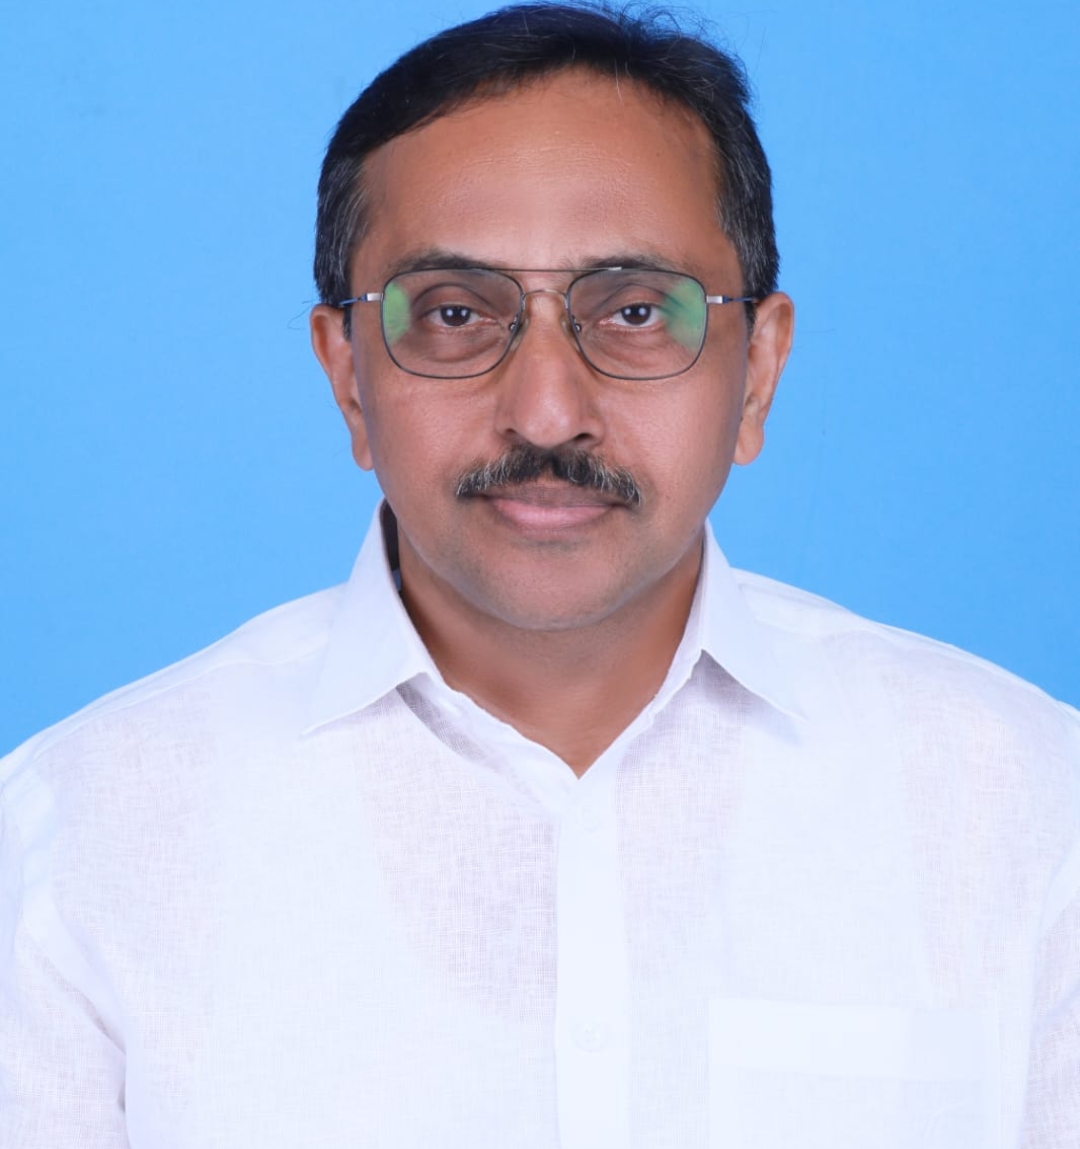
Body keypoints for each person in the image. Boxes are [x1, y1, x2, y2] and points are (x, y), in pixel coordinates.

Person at [1, 3, 1077, 1146]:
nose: (549, 412)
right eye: (456, 314)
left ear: (758, 371)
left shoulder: (1027, 808)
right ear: (348, 376)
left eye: (635, 312)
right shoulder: (76, 842)